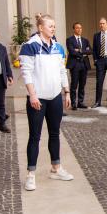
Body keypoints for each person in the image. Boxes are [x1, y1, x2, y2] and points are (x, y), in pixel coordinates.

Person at [19, 14, 74, 191]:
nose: (53, 28)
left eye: (54, 26)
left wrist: (66, 92)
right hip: (38, 99)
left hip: (55, 97)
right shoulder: (30, 46)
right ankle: (30, 175)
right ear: (40, 27)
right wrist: (32, 95)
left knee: (55, 133)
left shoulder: (58, 47)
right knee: (35, 136)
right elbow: (26, 72)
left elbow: (61, 70)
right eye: (50, 26)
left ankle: (56, 168)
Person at [66, 22, 92, 110]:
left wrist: (80, 51)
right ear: (74, 29)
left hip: (84, 64)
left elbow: (90, 51)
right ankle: (73, 103)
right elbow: (72, 51)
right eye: (77, 28)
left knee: (82, 84)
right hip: (75, 64)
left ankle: (80, 102)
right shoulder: (69, 40)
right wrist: (83, 52)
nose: (79, 29)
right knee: (74, 84)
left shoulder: (85, 40)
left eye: (80, 28)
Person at [0, 29, 13, 133]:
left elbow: (6, 63)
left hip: (0, 78)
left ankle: (2, 124)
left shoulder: (1, 48)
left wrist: (10, 75)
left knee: (0, 102)